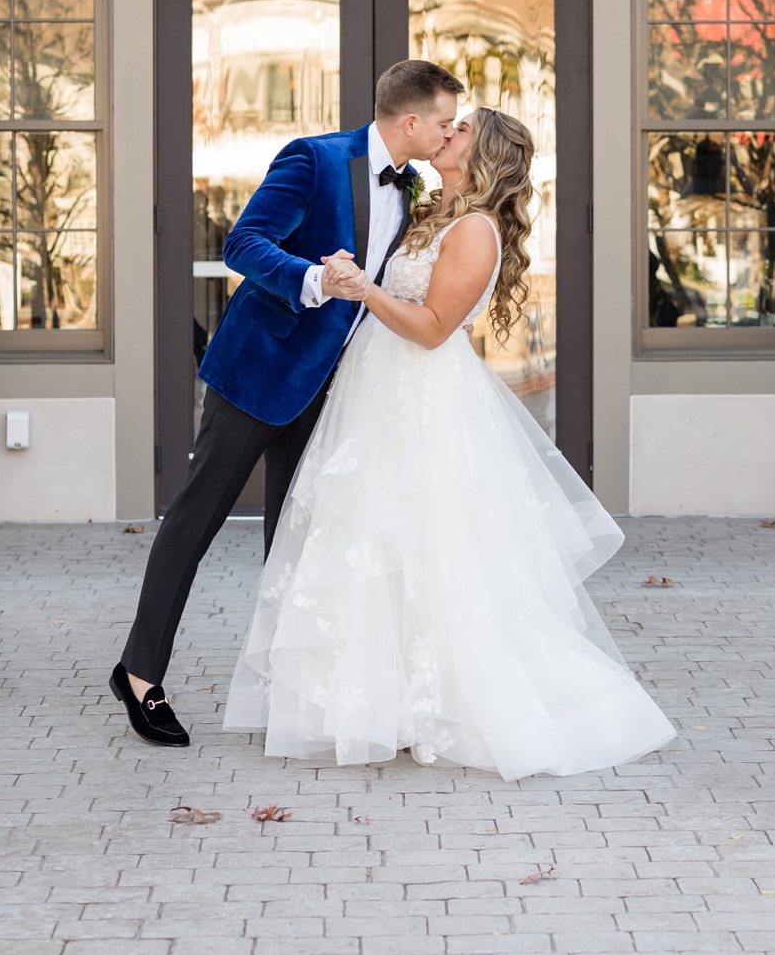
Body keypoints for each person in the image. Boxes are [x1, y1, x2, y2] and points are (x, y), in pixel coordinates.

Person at [225, 109, 676, 780]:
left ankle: (436, 701)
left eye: (459, 129)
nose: (446, 132)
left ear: (482, 151)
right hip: (377, 392)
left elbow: (435, 327)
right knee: (374, 544)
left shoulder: (475, 229)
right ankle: (380, 700)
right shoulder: (432, 209)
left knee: (425, 543)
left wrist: (361, 288)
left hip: (421, 398)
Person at [109, 59, 465, 747]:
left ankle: (284, 693)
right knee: (194, 521)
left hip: (333, 387)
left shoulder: (417, 184)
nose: (450, 132)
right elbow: (242, 243)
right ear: (412, 120)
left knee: (298, 542)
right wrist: (312, 278)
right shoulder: (316, 158)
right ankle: (140, 672)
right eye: (445, 122)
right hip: (258, 371)